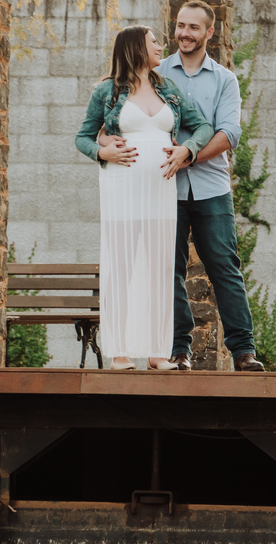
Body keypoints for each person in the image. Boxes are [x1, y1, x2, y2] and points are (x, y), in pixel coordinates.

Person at [100, 0, 265, 372]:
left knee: (225, 266)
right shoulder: (154, 73)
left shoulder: (224, 79)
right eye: (180, 26)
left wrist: (188, 155)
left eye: (193, 27)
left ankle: (243, 351)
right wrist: (105, 145)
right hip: (162, 189)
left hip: (212, 188)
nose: (184, 34)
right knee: (166, 270)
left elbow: (229, 133)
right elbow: (115, 120)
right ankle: (177, 350)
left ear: (209, 32)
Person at [75, 25, 214, 371]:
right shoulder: (107, 91)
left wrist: (187, 149)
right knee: (122, 264)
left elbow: (203, 127)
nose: (160, 46)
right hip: (121, 187)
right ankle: (120, 353)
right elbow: (82, 137)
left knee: (159, 266)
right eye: (153, 42)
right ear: (136, 47)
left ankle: (157, 352)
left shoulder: (168, 89)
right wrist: (101, 152)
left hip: (160, 190)